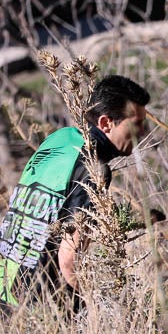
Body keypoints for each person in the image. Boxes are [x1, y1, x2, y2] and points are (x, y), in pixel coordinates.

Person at [0, 75, 150, 312]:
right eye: (137, 123)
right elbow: (70, 259)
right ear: (106, 122)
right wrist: (96, 310)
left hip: (5, 282)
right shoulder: (94, 168)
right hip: (39, 306)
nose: (142, 132)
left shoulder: (59, 139)